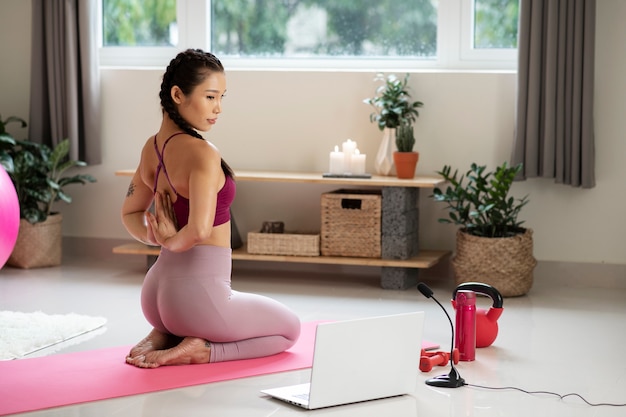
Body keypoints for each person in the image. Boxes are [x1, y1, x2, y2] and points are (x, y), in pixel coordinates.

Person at [122, 49, 301, 368]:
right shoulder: (203, 153)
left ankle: (166, 333)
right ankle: (202, 350)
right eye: (210, 96)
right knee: (290, 330)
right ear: (178, 94)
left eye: (222, 97)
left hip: (155, 295)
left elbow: (129, 213)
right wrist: (170, 241)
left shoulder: (151, 148)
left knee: (213, 311)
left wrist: (155, 239)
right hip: (197, 302)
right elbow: (200, 230)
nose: (218, 108)